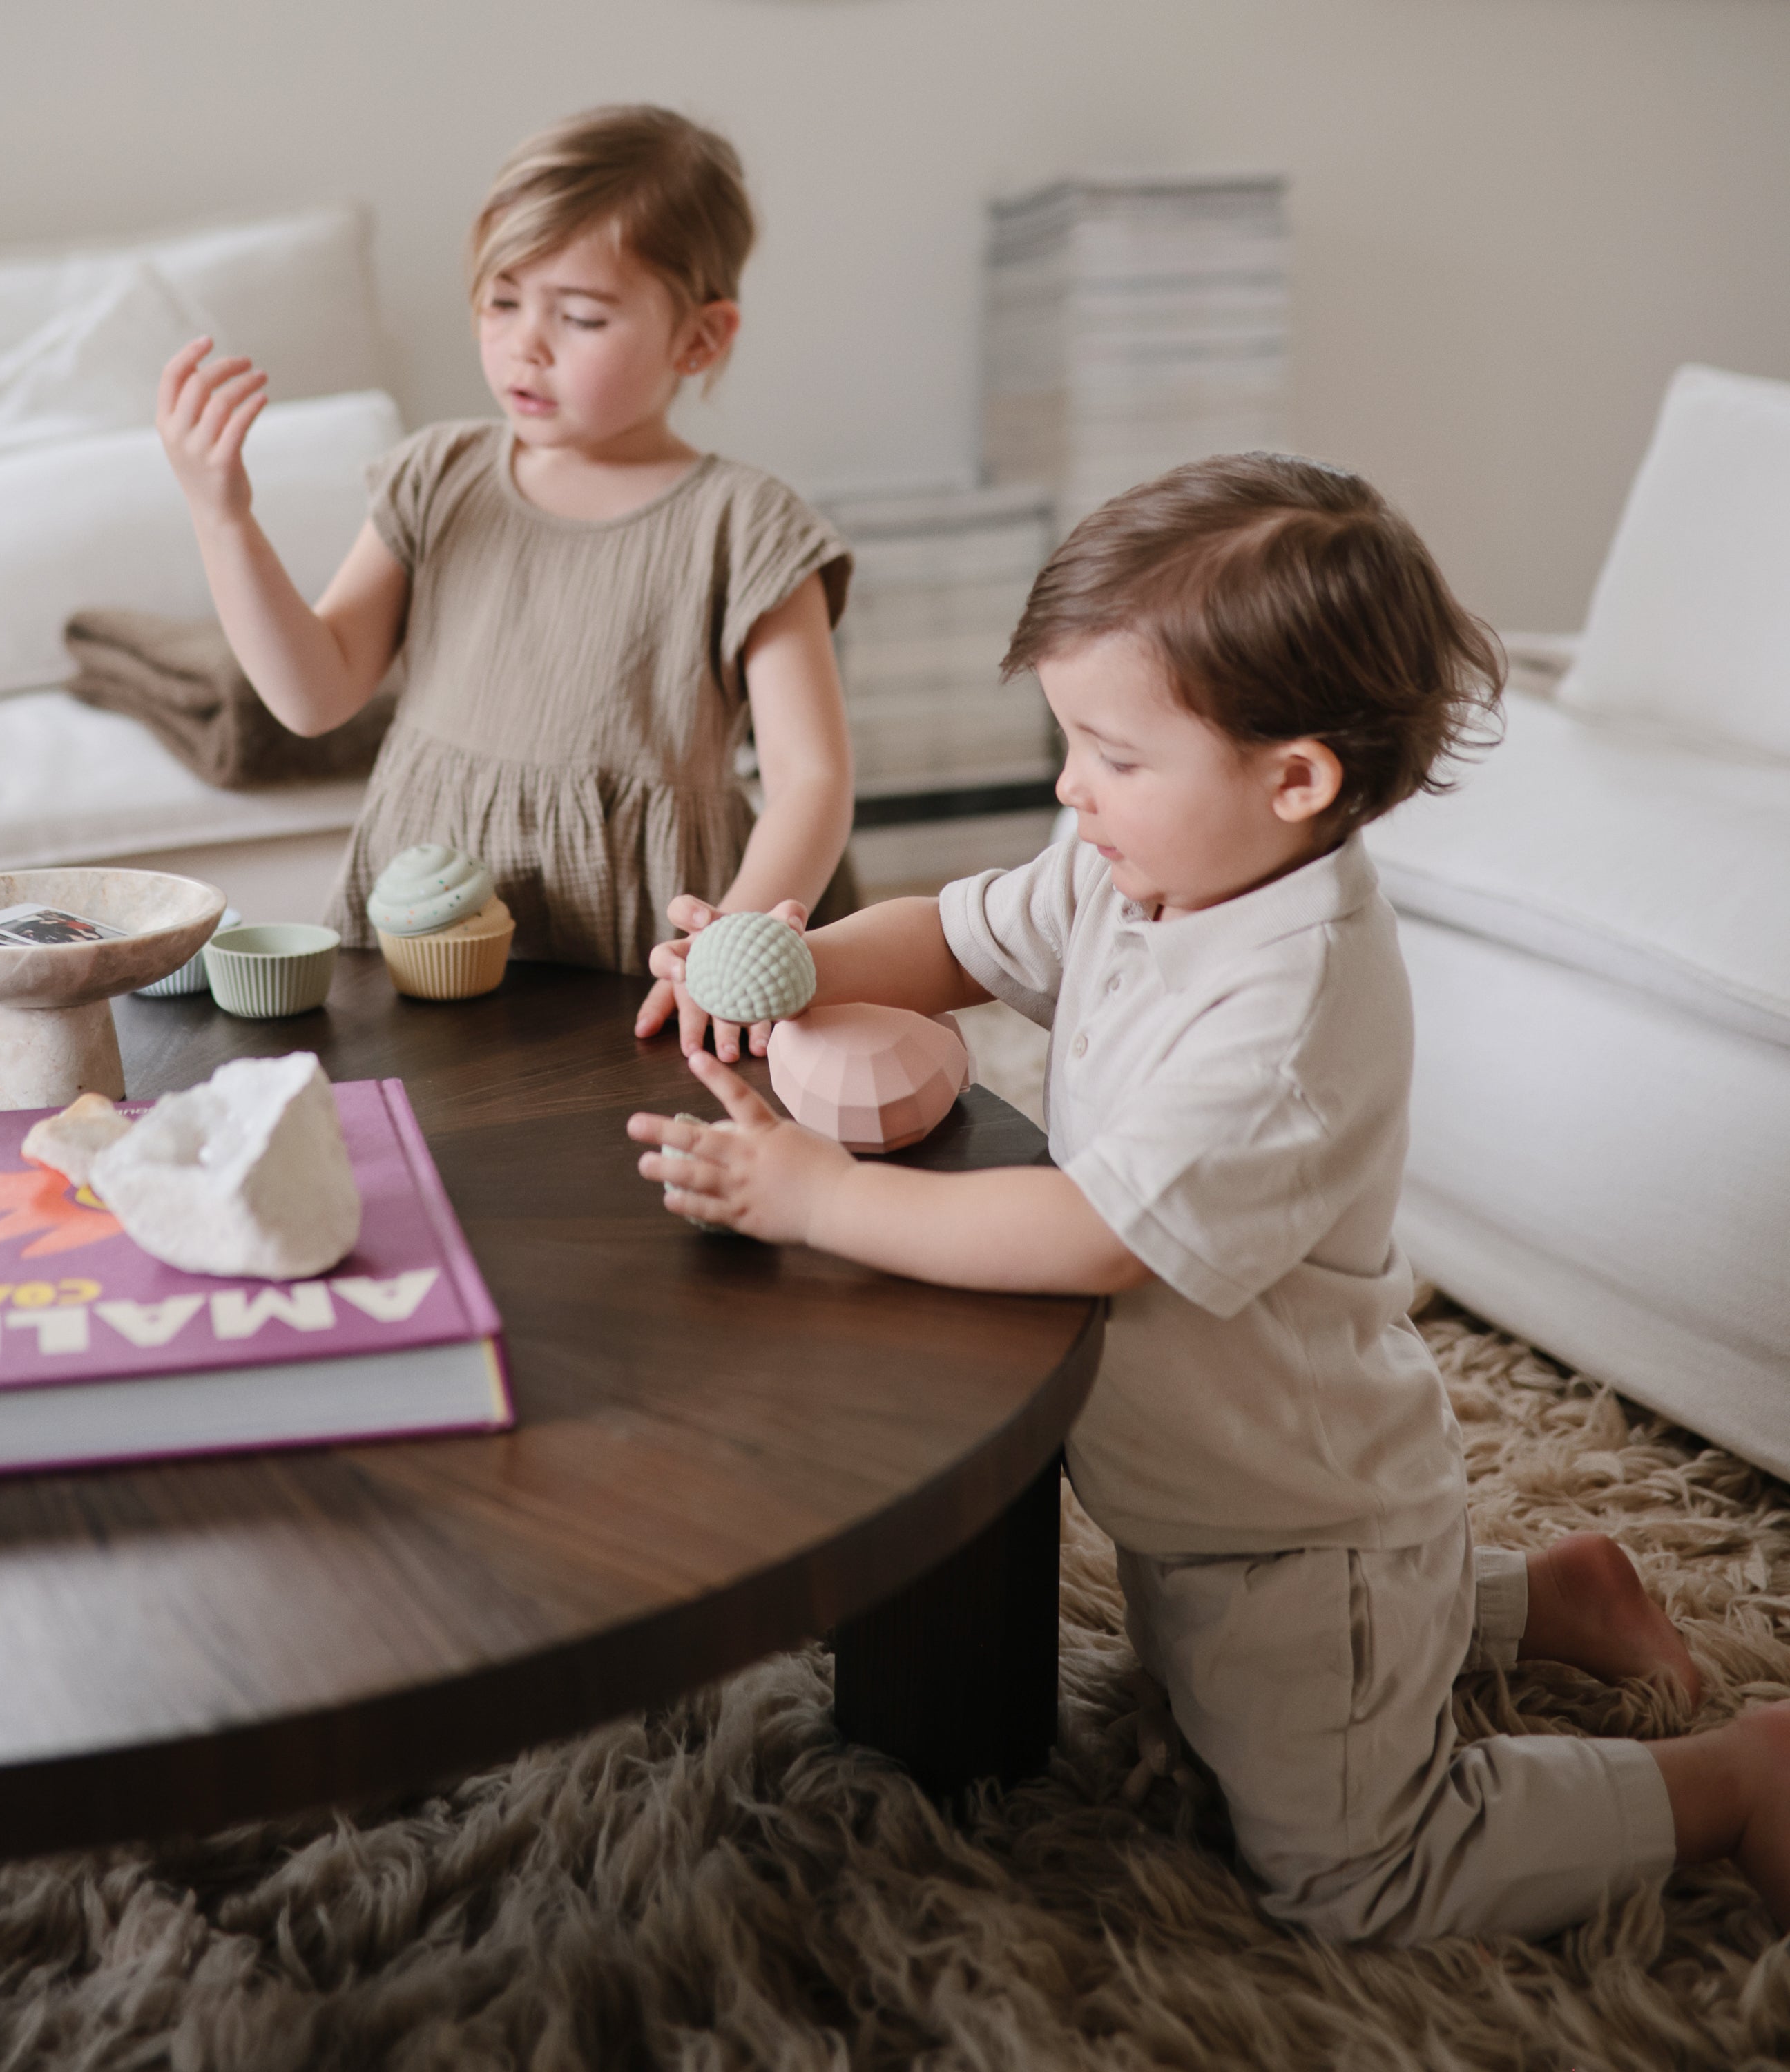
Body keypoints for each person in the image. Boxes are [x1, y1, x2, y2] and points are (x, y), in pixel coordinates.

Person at [628, 451, 1790, 1944]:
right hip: (1215, 1494)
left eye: (1109, 754)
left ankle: (1731, 1781)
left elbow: (1091, 1238)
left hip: (1310, 1530)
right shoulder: (1148, 867)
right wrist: (790, 957)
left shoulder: (1288, 1019)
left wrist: (818, 1199)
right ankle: (1548, 1597)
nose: (1068, 788)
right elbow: (959, 937)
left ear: (1294, 778)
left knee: (1356, 1873)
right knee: (1212, 1680)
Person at [156, 105, 854, 1059]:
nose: (527, 343)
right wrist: (222, 517)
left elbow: (812, 777)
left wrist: (729, 943)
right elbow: (313, 693)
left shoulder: (747, 524)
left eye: (581, 316)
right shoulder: (437, 477)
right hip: (422, 918)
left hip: (644, 946)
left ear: (699, 338)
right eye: (502, 301)